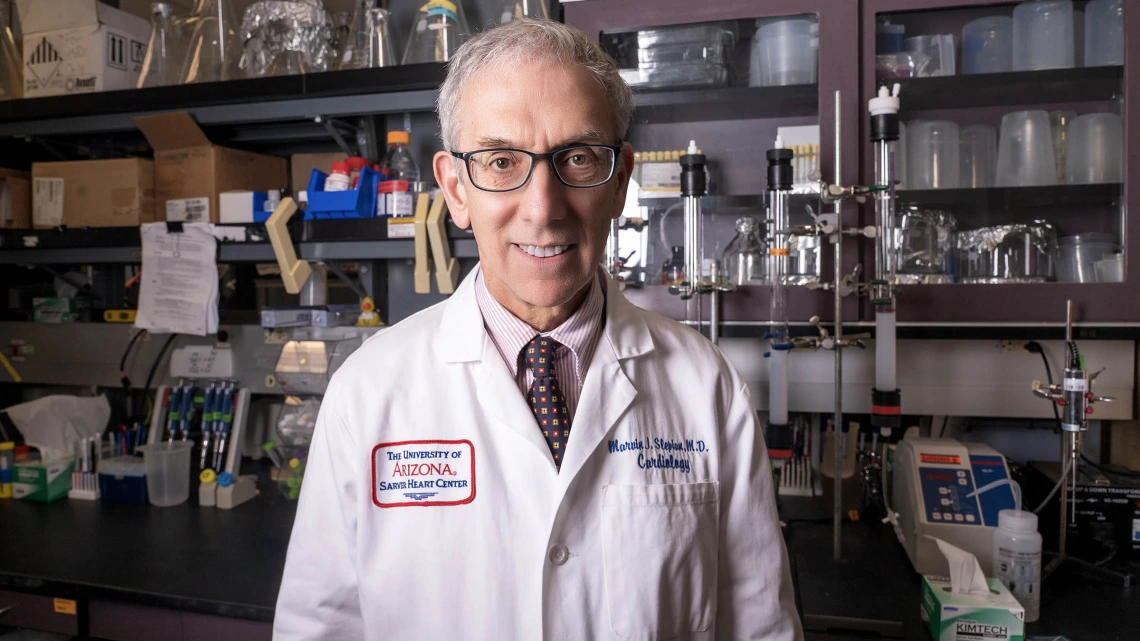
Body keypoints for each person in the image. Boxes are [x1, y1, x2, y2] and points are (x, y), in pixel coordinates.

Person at [274, 18, 802, 641]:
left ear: (620, 181)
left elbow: (760, 626)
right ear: (456, 189)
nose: (543, 207)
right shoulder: (367, 393)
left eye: (577, 158)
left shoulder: (704, 385)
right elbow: (321, 629)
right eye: (500, 161)